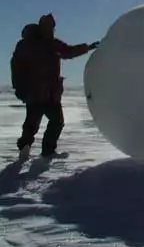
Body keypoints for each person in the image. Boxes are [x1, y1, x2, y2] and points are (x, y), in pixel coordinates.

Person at [11, 13, 99, 159]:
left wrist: (88, 47)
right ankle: (34, 149)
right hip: (39, 92)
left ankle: (39, 149)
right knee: (40, 123)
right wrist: (19, 87)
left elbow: (69, 52)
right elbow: (16, 67)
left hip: (47, 93)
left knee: (50, 122)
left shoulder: (46, 43)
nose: (51, 30)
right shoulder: (34, 44)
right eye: (50, 27)